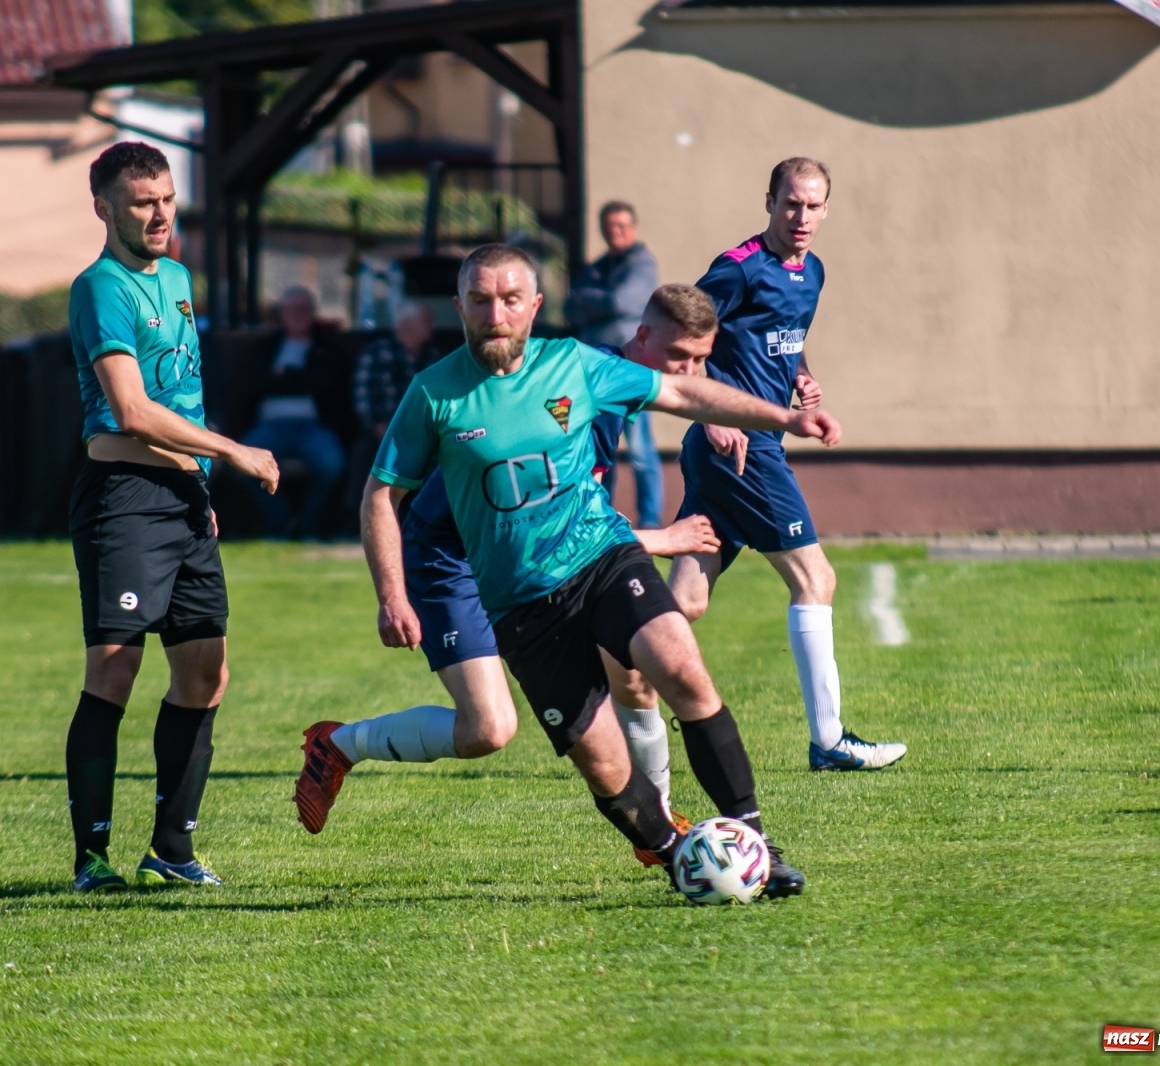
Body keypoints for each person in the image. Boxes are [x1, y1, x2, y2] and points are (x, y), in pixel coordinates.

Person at [300, 245, 843, 900]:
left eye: (509, 299)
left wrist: (782, 417)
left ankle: (751, 838)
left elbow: (674, 394)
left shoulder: (579, 369)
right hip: (474, 572)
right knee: (516, 737)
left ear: (534, 306)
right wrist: (392, 595)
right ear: (460, 307)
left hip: (599, 558)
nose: (495, 313)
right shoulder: (434, 395)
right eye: (480, 299)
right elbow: (383, 495)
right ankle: (673, 849)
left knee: (677, 665)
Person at [294, 285, 721, 860]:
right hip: (451, 557)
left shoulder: (610, 388)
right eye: (681, 361)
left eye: (700, 364)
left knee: (635, 670)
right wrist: (661, 539)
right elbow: (549, 523)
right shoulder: (576, 387)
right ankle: (339, 745)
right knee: (487, 730)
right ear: (641, 339)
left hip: (519, 558)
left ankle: (661, 829)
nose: (691, 374)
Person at [63, 141, 279, 893]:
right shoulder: (101, 288)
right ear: (104, 209)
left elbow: (181, 400)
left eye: (166, 199)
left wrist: (204, 486)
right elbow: (131, 409)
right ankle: (92, 859)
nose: (159, 214)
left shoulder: (180, 277)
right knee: (115, 670)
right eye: (142, 203)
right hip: (123, 497)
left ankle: (172, 849)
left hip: (185, 501)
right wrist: (236, 453)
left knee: (204, 672)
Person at [673, 157, 907, 772]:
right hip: (740, 447)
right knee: (815, 580)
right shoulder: (738, 268)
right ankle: (829, 741)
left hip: (741, 448)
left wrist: (800, 373)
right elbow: (680, 336)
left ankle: (604, 674)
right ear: (769, 201)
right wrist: (712, 414)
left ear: (828, 209)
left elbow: (782, 333)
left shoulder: (812, 272)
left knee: (688, 602)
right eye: (790, 204)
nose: (801, 217)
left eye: (813, 206)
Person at [566, 201, 664, 528]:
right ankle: (600, 515)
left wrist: (592, 300)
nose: (615, 233)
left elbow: (622, 301)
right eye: (609, 228)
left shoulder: (642, 264)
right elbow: (569, 308)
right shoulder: (598, 267)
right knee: (599, 450)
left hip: (631, 372)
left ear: (633, 228)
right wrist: (601, 299)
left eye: (621, 226)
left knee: (639, 450)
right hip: (597, 374)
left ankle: (649, 521)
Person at [242, 285, 346, 539]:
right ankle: (281, 523)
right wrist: (302, 379)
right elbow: (255, 383)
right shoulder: (266, 347)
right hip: (270, 426)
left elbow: (325, 383)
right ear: (282, 314)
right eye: (292, 309)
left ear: (313, 313)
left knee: (333, 464)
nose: (298, 314)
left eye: (303, 309)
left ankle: (309, 524)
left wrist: (285, 377)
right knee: (240, 462)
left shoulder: (327, 347)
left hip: (314, 427)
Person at [346, 300, 442, 516]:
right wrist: (384, 428)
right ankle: (357, 520)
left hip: (426, 434)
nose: (432, 326)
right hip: (384, 432)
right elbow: (364, 400)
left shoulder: (434, 357)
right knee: (366, 453)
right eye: (426, 321)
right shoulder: (378, 352)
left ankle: (428, 519)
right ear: (406, 325)